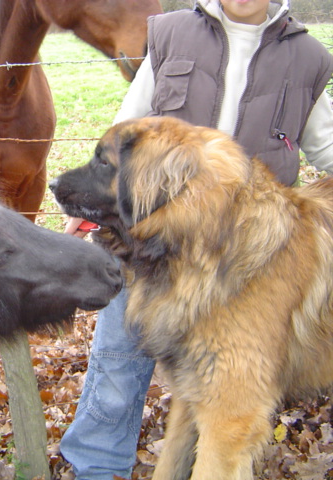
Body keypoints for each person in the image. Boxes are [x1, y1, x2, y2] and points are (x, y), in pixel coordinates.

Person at [59, 0, 333, 478]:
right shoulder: (170, 34)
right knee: (117, 362)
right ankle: (96, 467)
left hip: (243, 254)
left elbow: (326, 144)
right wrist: (94, 206)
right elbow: (128, 124)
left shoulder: (307, 56)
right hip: (148, 241)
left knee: (211, 391)